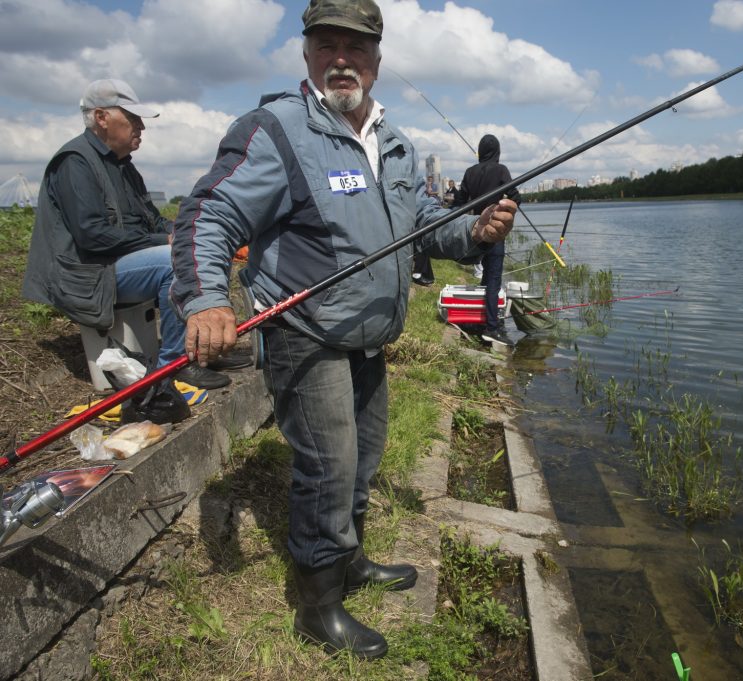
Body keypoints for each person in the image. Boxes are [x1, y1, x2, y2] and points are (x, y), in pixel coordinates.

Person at [169, 0, 517, 659]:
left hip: (368, 334)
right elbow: (207, 217)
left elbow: (420, 219)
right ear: (305, 53)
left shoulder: (394, 142)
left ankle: (349, 558)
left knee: (364, 455)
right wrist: (207, 298)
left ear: (377, 62)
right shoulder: (276, 130)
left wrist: (472, 231)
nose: (341, 59)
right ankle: (318, 603)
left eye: (355, 48)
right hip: (308, 332)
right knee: (329, 466)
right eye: (326, 45)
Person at [21, 79, 237, 390]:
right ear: (101, 117)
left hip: (117, 265)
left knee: (200, 249)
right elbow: (92, 236)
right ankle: (175, 364)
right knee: (175, 261)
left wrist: (189, 232)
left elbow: (150, 220)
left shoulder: (123, 166)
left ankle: (202, 349)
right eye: (133, 119)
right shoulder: (75, 162)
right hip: (89, 273)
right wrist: (166, 242)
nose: (141, 128)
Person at [452, 134, 521, 348]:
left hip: (474, 231)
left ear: (480, 152)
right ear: (498, 151)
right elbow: (515, 196)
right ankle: (492, 327)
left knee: (484, 278)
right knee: (492, 280)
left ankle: (482, 320)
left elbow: (460, 202)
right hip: (494, 231)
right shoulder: (501, 171)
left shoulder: (469, 172)